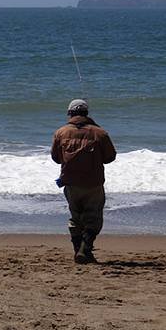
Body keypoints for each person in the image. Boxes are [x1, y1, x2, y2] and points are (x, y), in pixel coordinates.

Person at [51, 99, 116, 264]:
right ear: (86, 113)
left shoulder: (61, 132)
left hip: (70, 183)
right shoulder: (100, 133)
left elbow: (56, 158)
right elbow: (110, 157)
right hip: (93, 183)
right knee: (93, 218)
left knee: (76, 217)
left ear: (69, 114)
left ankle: (77, 251)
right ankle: (85, 249)